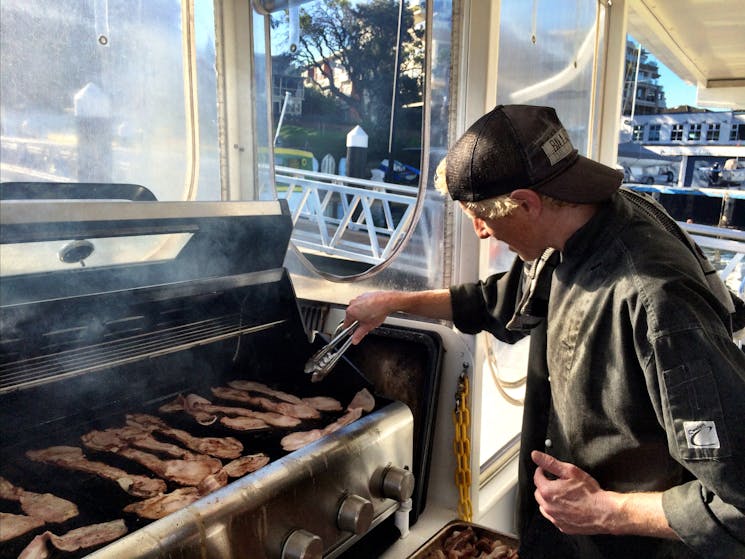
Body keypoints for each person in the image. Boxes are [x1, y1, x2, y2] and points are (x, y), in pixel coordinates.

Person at [343, 105, 745, 558]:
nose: (480, 232)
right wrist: (394, 303)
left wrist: (604, 511)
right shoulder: (571, 227)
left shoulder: (658, 301)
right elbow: (498, 301)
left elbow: (738, 501)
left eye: (481, 217)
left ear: (527, 203)